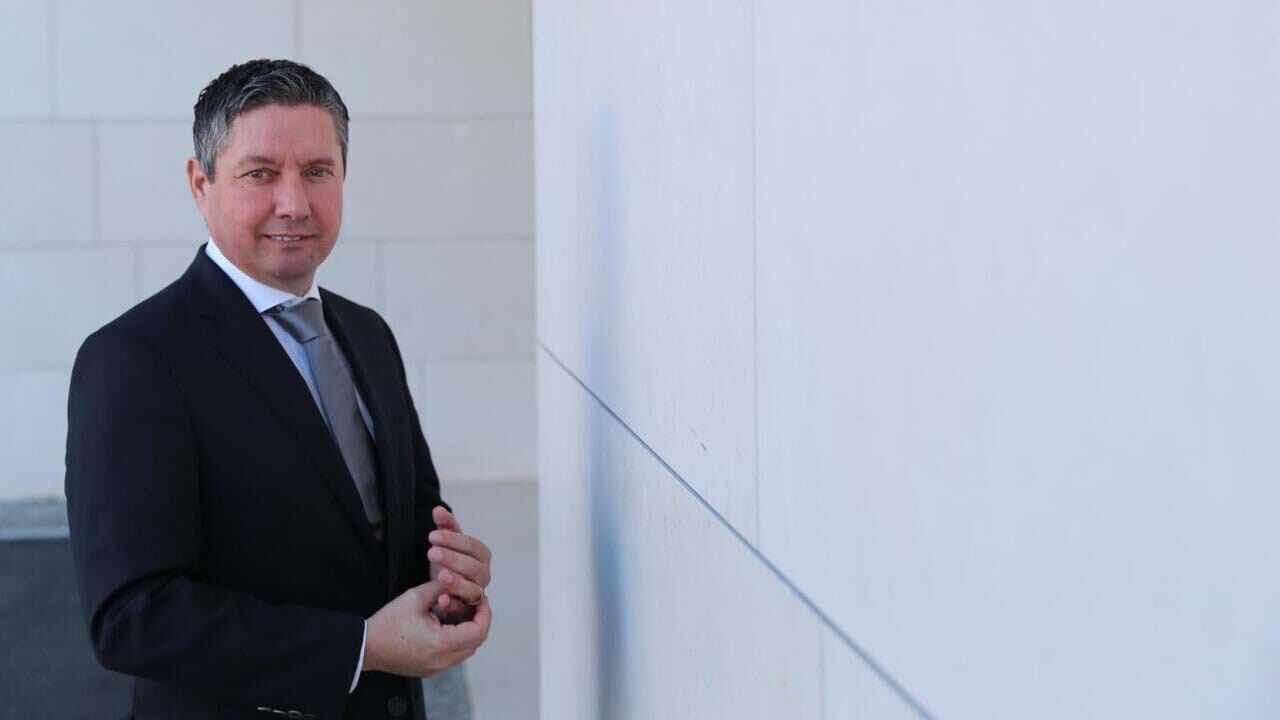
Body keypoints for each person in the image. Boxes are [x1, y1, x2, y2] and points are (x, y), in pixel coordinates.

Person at [64, 59, 493, 720]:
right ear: (200, 183)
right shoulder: (135, 360)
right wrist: (360, 648)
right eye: (260, 173)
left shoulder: (367, 333)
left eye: (317, 171)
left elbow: (407, 520)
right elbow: (133, 617)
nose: (294, 203)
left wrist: (445, 577)